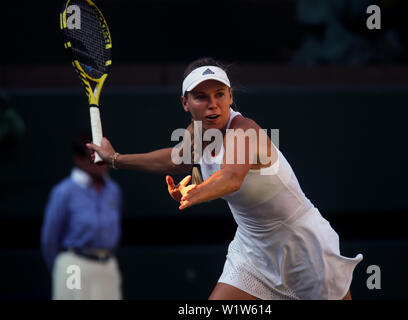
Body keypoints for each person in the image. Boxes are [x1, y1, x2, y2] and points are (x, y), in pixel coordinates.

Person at [87, 57, 363, 300]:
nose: (212, 105)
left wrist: (195, 192)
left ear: (231, 96)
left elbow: (231, 178)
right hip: (253, 251)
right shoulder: (196, 133)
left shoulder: (245, 130)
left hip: (303, 246)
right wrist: (115, 159)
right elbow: (175, 160)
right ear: (185, 102)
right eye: (201, 97)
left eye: (219, 94)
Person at [41, 132, 123, 300]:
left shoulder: (113, 190)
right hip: (74, 265)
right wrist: (62, 268)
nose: (102, 162)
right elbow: (49, 239)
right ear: (78, 159)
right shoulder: (64, 192)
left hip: (107, 264)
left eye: (104, 155)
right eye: (94, 156)